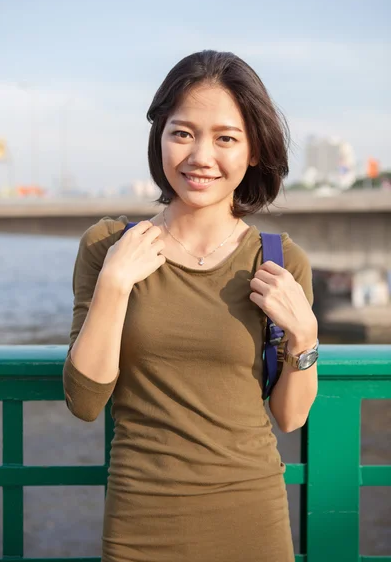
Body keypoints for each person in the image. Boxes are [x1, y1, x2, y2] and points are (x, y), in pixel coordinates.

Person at [63, 50, 319, 562]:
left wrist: (304, 339)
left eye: (225, 138)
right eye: (182, 133)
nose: (201, 155)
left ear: (252, 152)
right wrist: (115, 283)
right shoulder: (107, 245)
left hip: (253, 520)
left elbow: (289, 418)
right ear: (159, 138)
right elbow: (85, 402)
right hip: (141, 523)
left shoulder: (281, 260)